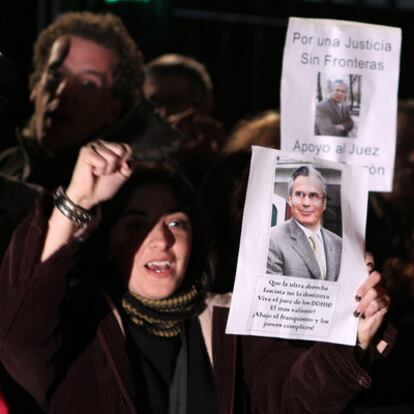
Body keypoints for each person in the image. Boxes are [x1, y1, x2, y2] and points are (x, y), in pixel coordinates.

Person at [0, 140, 393, 413]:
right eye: (137, 224)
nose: (160, 239)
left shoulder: (228, 321)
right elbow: (21, 319)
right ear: (108, 242)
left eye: (176, 222)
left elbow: (289, 398)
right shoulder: (76, 323)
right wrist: (79, 199)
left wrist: (351, 338)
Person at [0, 12, 182, 191]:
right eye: (56, 74)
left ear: (114, 109)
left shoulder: (126, 190)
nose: (63, 92)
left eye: (88, 84)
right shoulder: (6, 164)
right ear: (36, 86)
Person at [144, 53, 226, 186]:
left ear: (203, 105)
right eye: (153, 103)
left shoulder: (215, 156)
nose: (163, 112)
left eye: (176, 102)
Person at [267, 165, 342, 281]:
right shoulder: (273, 239)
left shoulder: (339, 244)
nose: (306, 203)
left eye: (314, 195)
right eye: (299, 194)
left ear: (324, 203)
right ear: (290, 200)